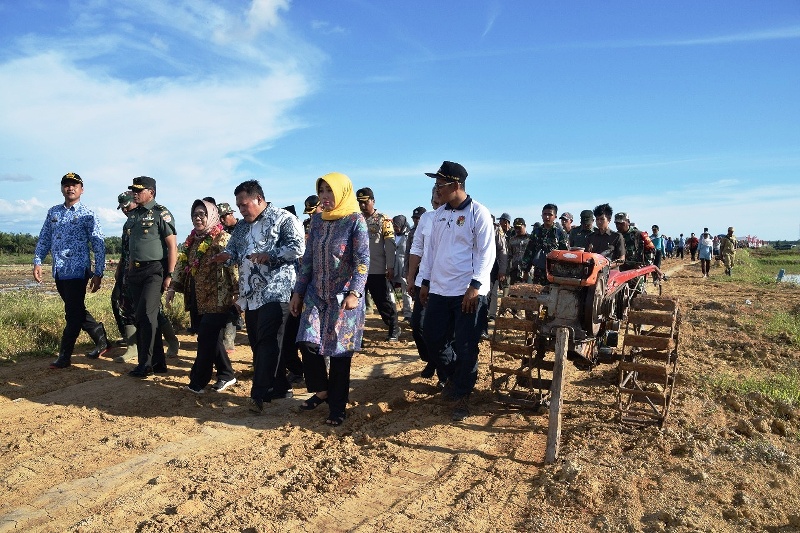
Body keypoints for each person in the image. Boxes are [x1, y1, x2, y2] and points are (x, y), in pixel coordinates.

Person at [212, 179, 304, 413]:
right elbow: (234, 251)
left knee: (267, 342)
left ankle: (259, 393)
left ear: (259, 199)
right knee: (258, 344)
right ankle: (281, 387)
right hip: (250, 296)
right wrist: (225, 256)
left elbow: (297, 247)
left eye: (244, 205)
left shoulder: (283, 219)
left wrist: (269, 255)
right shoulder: (242, 227)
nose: (241, 210)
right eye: (239, 206)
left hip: (277, 290)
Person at [289, 172, 369, 426]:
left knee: (339, 354)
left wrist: (355, 292)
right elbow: (308, 261)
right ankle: (322, 390)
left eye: (329, 191)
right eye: (321, 190)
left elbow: (363, 261)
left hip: (344, 296)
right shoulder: (317, 222)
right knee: (307, 342)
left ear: (342, 192)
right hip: (316, 294)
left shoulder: (355, 221)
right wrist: (298, 292)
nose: (324, 196)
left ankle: (337, 407)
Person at [419, 161, 495, 422]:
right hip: (440, 289)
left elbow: (487, 253)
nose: (436, 189)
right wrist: (426, 280)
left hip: (468, 291)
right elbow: (431, 252)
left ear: (456, 185)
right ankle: (455, 376)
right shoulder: (439, 214)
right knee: (432, 337)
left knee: (466, 344)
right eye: (436, 184)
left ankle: (462, 392)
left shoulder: (478, 213)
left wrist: (475, 287)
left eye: (440, 184)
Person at [33, 172, 108, 369]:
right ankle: (100, 337)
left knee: (72, 314)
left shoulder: (88, 214)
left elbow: (98, 245)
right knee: (76, 309)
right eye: (66, 185)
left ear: (82, 189)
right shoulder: (53, 213)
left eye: (75, 185)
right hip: (59, 271)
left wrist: (99, 272)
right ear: (61, 189)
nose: (70, 188)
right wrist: (37, 261)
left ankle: (65, 355)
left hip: (78, 271)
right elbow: (44, 238)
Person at [168, 200, 239, 393]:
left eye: (202, 214)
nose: (197, 218)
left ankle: (198, 381)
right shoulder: (192, 240)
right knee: (210, 337)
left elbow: (233, 266)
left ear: (212, 215)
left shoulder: (222, 238)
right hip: (197, 298)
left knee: (206, 339)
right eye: (194, 215)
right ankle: (226, 374)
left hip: (218, 297)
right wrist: (173, 287)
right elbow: (183, 265)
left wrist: (236, 292)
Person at [124, 176, 177, 377]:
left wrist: (170, 274)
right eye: (133, 190)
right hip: (135, 272)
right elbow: (133, 246)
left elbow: (172, 246)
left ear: (151, 192)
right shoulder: (133, 215)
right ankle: (158, 363)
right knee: (144, 317)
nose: (135, 193)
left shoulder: (161, 213)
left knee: (147, 315)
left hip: (154, 270)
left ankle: (144, 363)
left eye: (139, 190)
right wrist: (129, 271)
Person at [406, 189, 444, 380]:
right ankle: (432, 359)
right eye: (434, 202)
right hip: (423, 281)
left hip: (446, 284)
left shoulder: (459, 217)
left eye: (439, 201)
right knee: (417, 324)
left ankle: (444, 370)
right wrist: (411, 277)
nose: (436, 205)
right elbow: (416, 248)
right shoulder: (425, 219)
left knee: (442, 329)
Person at [356, 187, 400, 341]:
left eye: (365, 202)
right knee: (357, 304)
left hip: (377, 268)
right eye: (359, 202)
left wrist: (390, 266)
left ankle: (393, 326)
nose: (362, 205)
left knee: (382, 301)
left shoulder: (383, 219)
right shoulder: (356, 219)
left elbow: (390, 244)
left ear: (373, 201)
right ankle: (358, 335)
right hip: (359, 269)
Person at [520, 204, 568, 284]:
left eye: (550, 214)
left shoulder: (560, 233)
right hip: (539, 273)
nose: (547, 217)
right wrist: (525, 271)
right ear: (541, 215)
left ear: (555, 217)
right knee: (537, 294)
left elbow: (565, 253)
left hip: (555, 273)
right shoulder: (536, 232)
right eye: (545, 214)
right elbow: (529, 252)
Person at [392, 215, 413, 321]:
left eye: (396, 225)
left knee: (406, 291)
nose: (395, 227)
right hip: (393, 266)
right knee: (389, 289)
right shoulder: (392, 235)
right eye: (394, 225)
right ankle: (392, 312)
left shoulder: (408, 235)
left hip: (404, 266)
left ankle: (408, 313)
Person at [507, 218, 531, 285]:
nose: (517, 230)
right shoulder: (512, 240)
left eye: (519, 227)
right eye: (515, 228)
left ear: (525, 226)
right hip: (515, 270)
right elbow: (509, 256)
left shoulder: (531, 239)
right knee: (514, 293)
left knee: (529, 293)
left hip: (528, 271)